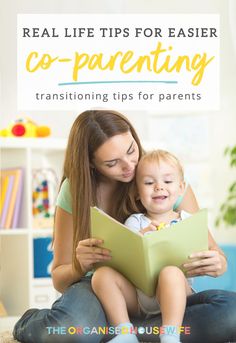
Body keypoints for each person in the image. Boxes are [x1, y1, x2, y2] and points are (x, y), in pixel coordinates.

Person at [13, 110, 236, 343]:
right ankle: (122, 330)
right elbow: (59, 278)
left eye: (131, 150)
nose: (130, 165)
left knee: (231, 313)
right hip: (103, 290)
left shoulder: (163, 178)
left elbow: (215, 253)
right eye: (112, 163)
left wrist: (217, 263)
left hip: (165, 292)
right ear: (91, 162)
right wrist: (80, 265)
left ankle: (122, 333)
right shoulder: (75, 190)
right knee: (72, 330)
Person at [92, 149, 194, 343]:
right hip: (139, 297)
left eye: (167, 181)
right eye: (149, 183)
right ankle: (125, 332)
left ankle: (170, 335)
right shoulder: (135, 221)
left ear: (181, 188)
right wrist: (142, 236)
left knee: (170, 272)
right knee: (101, 275)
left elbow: (198, 260)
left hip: (177, 295)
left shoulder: (187, 221)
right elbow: (125, 256)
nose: (158, 187)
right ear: (138, 193)